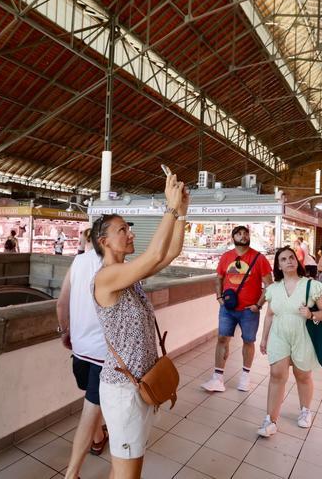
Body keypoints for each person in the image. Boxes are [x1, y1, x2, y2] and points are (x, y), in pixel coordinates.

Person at [92, 173, 188, 479]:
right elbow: (155, 253)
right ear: (104, 241)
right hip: (122, 391)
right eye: (123, 230)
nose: (130, 234)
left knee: (130, 466)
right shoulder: (106, 278)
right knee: (127, 471)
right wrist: (170, 209)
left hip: (139, 383)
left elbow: (170, 252)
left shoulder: (130, 277)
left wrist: (182, 212)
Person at [257, 246, 322, 437]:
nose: (289, 261)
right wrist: (264, 338)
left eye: (291, 257)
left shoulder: (311, 285)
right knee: (276, 374)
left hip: (303, 335)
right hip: (279, 334)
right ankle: (270, 420)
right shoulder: (273, 289)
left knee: (303, 375)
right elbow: (269, 315)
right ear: (279, 265)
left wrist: (311, 313)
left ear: (297, 261)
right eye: (283, 259)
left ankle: (305, 410)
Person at [56, 228, 109, 479]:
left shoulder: (77, 261)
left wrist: (64, 331)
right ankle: (71, 473)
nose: (130, 236)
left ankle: (98, 438)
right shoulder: (118, 266)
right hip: (102, 351)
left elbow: (61, 303)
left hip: (80, 348)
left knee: (91, 399)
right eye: (124, 230)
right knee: (92, 406)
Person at [201, 226, 271, 393]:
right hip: (228, 308)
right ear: (233, 237)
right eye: (239, 233)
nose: (243, 236)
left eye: (246, 233)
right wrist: (219, 297)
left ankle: (245, 377)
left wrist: (258, 305)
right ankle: (217, 378)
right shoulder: (226, 257)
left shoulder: (259, 258)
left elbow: (269, 285)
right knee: (222, 338)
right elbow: (218, 278)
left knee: (248, 341)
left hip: (249, 310)